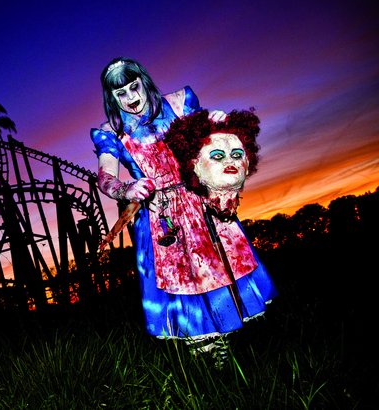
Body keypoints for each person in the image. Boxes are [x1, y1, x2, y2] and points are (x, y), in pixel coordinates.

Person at [90, 57, 276, 364]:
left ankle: (228, 351)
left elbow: (205, 141)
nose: (130, 97)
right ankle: (206, 354)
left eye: (134, 87)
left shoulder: (179, 103)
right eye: (120, 93)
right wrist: (126, 189)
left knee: (217, 273)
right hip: (162, 217)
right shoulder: (110, 132)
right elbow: (105, 178)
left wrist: (217, 123)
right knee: (182, 282)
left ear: (144, 82)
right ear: (111, 97)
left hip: (199, 203)